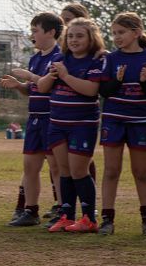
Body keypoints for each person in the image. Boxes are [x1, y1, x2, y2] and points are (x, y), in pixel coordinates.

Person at [98, 12, 146, 236]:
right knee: (111, 171)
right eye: (114, 33)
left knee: (141, 172)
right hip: (114, 120)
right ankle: (107, 220)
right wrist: (117, 80)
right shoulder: (111, 59)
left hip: (140, 122)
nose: (116, 37)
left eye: (121, 32)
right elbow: (103, 91)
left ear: (136, 33)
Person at [38, 18, 106, 233]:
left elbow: (91, 90)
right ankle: (67, 216)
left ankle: (89, 218)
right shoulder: (60, 58)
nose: (74, 40)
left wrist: (65, 76)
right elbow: (41, 88)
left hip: (82, 124)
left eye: (80, 36)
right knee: (64, 170)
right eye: (70, 36)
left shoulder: (96, 61)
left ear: (91, 38)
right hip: (57, 124)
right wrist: (51, 75)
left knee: (79, 170)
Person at [2, 13, 64, 227]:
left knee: (56, 167)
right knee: (30, 166)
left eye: (35, 30)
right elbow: (33, 90)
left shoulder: (59, 56)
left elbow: (48, 86)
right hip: (35, 118)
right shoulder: (36, 58)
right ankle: (31, 210)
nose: (32, 35)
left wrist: (28, 77)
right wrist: (18, 85)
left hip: (52, 118)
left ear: (51, 32)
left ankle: (62, 211)